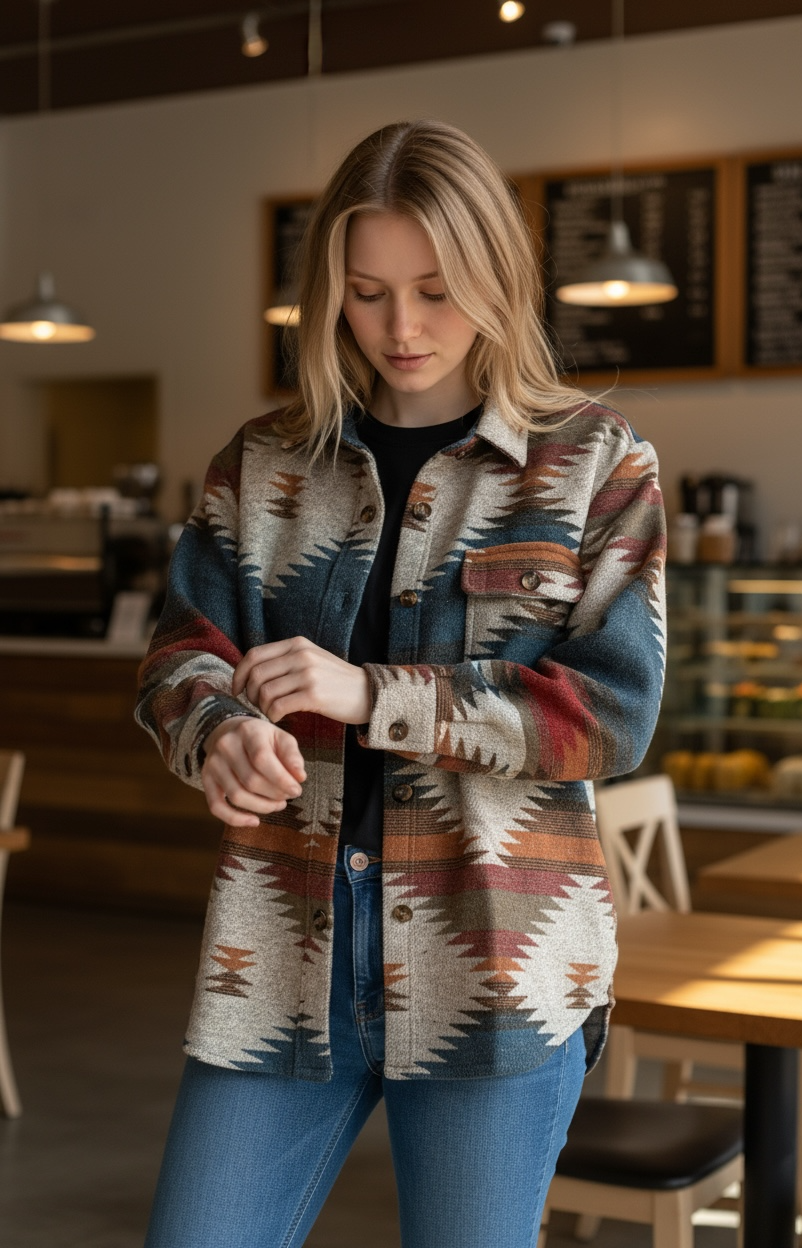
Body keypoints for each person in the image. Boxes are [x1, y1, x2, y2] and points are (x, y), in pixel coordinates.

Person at [136, 118, 666, 1248]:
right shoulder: (260, 464)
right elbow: (180, 651)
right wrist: (216, 729)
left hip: (499, 968)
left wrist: (375, 695)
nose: (402, 328)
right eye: (367, 293)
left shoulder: (596, 462)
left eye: (435, 290)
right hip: (280, 960)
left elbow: (610, 716)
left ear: (497, 279)